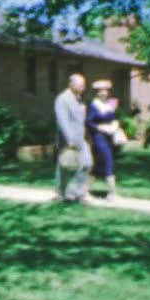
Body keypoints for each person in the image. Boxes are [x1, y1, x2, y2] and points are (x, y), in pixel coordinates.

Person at [54, 73, 94, 203]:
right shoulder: (62, 99)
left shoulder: (78, 99)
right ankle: (63, 193)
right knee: (66, 166)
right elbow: (62, 121)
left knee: (87, 163)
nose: (84, 87)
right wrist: (70, 139)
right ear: (71, 84)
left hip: (80, 138)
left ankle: (78, 192)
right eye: (81, 85)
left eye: (84, 85)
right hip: (69, 139)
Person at [86, 79, 120, 201]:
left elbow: (114, 118)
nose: (104, 93)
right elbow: (89, 122)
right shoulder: (93, 105)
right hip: (98, 137)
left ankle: (85, 191)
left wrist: (115, 125)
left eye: (106, 91)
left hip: (109, 137)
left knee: (97, 165)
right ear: (96, 93)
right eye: (101, 91)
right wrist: (101, 127)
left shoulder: (110, 105)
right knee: (108, 160)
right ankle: (113, 192)